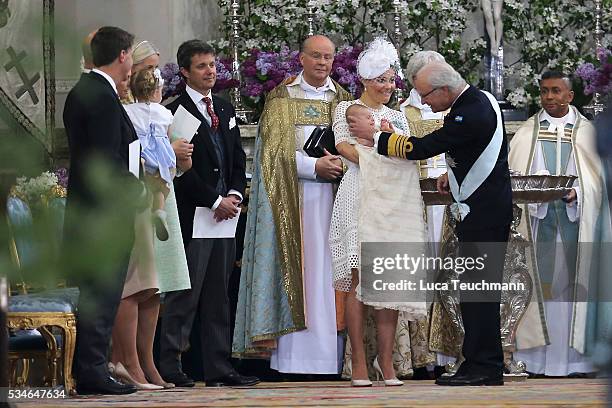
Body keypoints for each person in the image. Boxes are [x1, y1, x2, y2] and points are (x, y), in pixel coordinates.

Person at [351, 61, 512, 386]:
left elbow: (425, 147)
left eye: (425, 95)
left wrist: (378, 137)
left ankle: (486, 367)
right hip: (482, 208)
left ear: (443, 90)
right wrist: (450, 176)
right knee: (473, 292)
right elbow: (471, 153)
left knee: (480, 293)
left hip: (483, 214)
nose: (423, 103)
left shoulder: (470, 112)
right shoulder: (477, 101)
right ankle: (478, 361)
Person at [232, 35, 351, 375]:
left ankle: (331, 358)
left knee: (330, 274)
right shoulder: (282, 98)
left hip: (334, 201)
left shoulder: (343, 100)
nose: (323, 63)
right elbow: (271, 154)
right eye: (316, 56)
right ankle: (294, 359)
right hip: (294, 199)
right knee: (302, 273)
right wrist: (314, 166)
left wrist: (340, 165)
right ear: (301, 58)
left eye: (328, 57)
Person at [159, 39, 258, 387]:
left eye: (213, 65)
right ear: (185, 71)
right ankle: (171, 365)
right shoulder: (174, 111)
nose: (211, 71)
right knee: (185, 295)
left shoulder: (226, 108)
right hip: (195, 214)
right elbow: (179, 171)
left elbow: (235, 157)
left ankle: (219, 367)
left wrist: (233, 194)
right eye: (202, 66)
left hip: (225, 216)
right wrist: (213, 201)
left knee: (219, 295)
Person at [330, 37, 427, 386]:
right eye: (381, 80)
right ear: (365, 81)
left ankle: (386, 364)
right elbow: (345, 148)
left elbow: (405, 154)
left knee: (388, 277)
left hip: (391, 201)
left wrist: (383, 141)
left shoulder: (398, 118)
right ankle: (358, 362)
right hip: (358, 194)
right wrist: (379, 153)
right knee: (358, 281)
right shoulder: (346, 109)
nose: (387, 87)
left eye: (391, 80)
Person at [511, 71, 610, 376]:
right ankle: (539, 361)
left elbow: (601, 185)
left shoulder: (587, 133)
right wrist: (536, 196)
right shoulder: (527, 133)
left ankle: (575, 362)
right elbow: (514, 178)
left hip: (576, 223)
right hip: (538, 224)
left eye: (556, 91)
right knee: (541, 290)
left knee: (573, 292)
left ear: (570, 96)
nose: (549, 97)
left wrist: (577, 194)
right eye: (544, 91)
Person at [63, 26, 142, 395]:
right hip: (103, 216)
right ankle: (93, 370)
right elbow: (106, 160)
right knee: (102, 292)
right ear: (123, 55)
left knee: (101, 292)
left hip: (89, 212)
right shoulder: (100, 96)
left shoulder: (85, 90)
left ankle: (93, 366)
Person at [112, 40, 192, 390]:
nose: (156, 73)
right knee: (134, 285)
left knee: (155, 290)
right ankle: (125, 359)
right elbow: (128, 152)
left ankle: (147, 361)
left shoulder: (158, 109)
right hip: (136, 197)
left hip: (164, 196)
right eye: (150, 67)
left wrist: (182, 156)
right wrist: (165, 152)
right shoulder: (121, 108)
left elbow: (179, 162)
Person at [400, 50, 450, 377]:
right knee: (421, 276)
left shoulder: (456, 108)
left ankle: (451, 352)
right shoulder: (401, 113)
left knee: (450, 272)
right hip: (415, 202)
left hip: (450, 202)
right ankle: (423, 358)